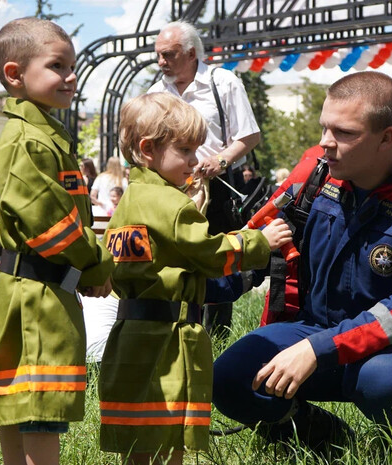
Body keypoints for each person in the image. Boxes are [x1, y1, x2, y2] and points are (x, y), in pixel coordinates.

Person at [213, 72, 392, 455]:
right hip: (311, 331)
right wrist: (183, 278)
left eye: (343, 133)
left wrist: (318, 349)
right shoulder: (312, 177)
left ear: (386, 138)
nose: (326, 143)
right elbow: (254, 250)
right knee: (229, 377)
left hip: (390, 349)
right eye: (324, 128)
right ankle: (323, 439)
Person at [98, 92, 291, 465]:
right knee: (169, 435)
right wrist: (258, 242)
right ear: (148, 149)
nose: (194, 160)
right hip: (168, 341)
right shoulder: (170, 204)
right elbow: (209, 252)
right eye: (185, 149)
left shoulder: (131, 200)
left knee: (138, 436)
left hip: (130, 336)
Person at [0, 18, 113, 465]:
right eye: (57, 66)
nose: (70, 76)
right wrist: (96, 263)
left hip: (35, 290)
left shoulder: (44, 135)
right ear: (14, 75)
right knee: (38, 410)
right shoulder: (28, 141)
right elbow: (52, 225)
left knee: (23, 407)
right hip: (36, 297)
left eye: (71, 66)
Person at [149, 20, 262, 336]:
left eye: (168, 55)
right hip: (170, 188)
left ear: (189, 52)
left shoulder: (222, 81)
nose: (161, 62)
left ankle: (216, 338)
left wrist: (222, 160)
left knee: (216, 260)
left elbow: (249, 135)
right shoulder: (156, 92)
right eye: (158, 55)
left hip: (216, 186)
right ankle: (176, 328)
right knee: (173, 258)